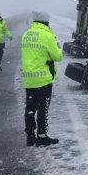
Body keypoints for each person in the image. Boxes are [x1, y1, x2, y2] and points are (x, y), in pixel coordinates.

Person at [21, 11, 63, 146]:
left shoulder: (26, 35)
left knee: (30, 108)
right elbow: (58, 56)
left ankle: (30, 136)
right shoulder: (47, 36)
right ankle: (42, 136)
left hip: (29, 78)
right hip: (43, 79)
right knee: (43, 108)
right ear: (46, 22)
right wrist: (58, 48)